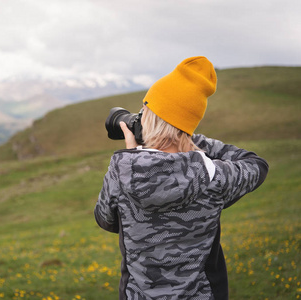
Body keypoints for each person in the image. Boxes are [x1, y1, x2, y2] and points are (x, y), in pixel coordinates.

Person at [94, 56, 269, 300]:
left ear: (149, 118)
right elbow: (256, 165)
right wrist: (187, 138)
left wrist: (136, 155)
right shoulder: (215, 176)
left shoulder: (121, 169)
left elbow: (105, 220)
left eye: (145, 110)